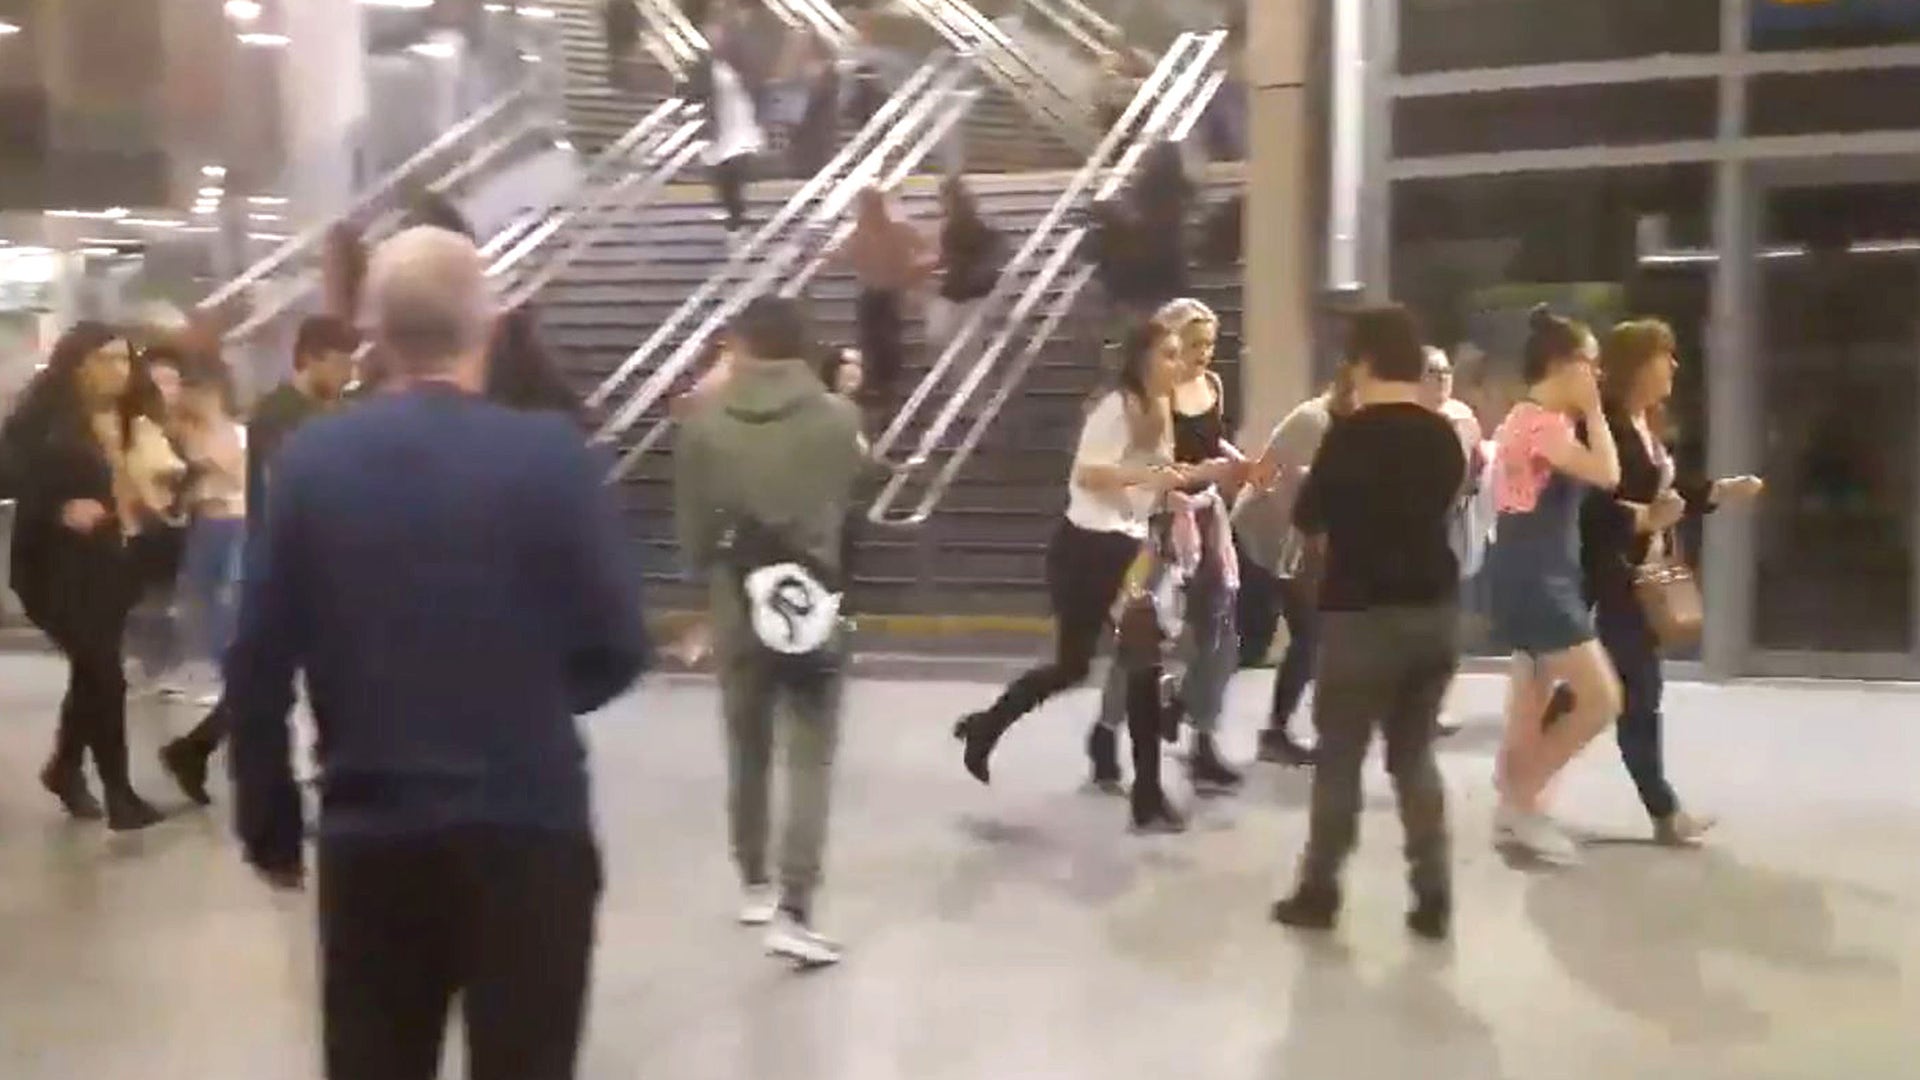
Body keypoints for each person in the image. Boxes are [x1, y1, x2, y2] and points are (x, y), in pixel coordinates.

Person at [226, 226, 648, 1079]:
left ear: (373, 335)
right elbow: (619, 643)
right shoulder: (552, 457)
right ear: (487, 326)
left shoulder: (311, 463)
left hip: (373, 832)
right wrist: (524, 697)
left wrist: (269, 820)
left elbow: (256, 658)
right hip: (529, 829)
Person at [674, 297, 868, 968]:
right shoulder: (839, 419)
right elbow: (854, 495)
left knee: (746, 745)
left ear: (741, 346)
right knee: (809, 754)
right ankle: (795, 906)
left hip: (737, 602)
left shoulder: (702, 426)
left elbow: (695, 538)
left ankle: (752, 882)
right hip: (813, 601)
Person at [1268, 304, 1465, 941]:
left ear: (1362, 363)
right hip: (1434, 612)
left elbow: (1307, 515)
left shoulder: (1347, 434)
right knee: (1414, 757)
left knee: (1341, 759)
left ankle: (1319, 892)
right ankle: (1432, 895)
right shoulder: (1443, 435)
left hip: (1360, 616)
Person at [954, 319, 1186, 787]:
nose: (1177, 365)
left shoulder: (1158, 407)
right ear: (1142, 359)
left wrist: (1170, 491)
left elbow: (1147, 475)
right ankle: (991, 728)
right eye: (1169, 355)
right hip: (1087, 548)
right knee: (1082, 664)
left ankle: (1139, 785)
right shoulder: (1115, 408)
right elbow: (1088, 475)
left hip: (1125, 543)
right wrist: (1149, 481)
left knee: (1129, 662)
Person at [159, 315, 360, 804]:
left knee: (284, 676)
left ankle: (195, 748)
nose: (346, 375)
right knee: (305, 675)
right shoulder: (279, 414)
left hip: (325, 561)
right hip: (288, 561)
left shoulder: (334, 410)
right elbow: (284, 487)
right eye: (339, 364)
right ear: (309, 356)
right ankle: (330, 776)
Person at [1579, 319, 1762, 846]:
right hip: (1612, 578)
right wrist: (1645, 517)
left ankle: (1525, 776)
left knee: (1607, 691)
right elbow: (1594, 506)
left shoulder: (1643, 425)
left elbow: (1674, 490)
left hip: (1640, 576)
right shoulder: (1606, 427)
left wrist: (1723, 491)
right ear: (1637, 364)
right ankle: (1662, 809)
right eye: (1665, 355)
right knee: (1637, 690)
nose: (1674, 367)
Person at [2, 324, 177, 830]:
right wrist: (57, 506)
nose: (119, 372)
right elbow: (7, 473)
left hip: (110, 561)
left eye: (124, 361)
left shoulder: (127, 419)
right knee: (104, 673)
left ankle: (63, 768)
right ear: (78, 364)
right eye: (107, 360)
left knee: (93, 671)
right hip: (51, 570)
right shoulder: (43, 418)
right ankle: (119, 794)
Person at [1090, 298, 1260, 796]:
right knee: (1140, 638)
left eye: (1209, 344)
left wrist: (1240, 463)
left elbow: (1211, 443)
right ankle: (1105, 734)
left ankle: (1199, 733)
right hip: (1157, 524)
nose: (1203, 354)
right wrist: (1204, 474)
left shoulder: (1212, 386)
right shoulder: (1150, 397)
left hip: (1205, 517)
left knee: (1222, 630)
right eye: (1192, 344)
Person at [1484, 306, 1623, 866]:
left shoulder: (1525, 418)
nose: (1597, 376)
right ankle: (1521, 802)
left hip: (1536, 570)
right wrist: (1594, 412)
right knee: (1601, 699)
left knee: (1531, 699)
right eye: (1590, 363)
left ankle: (1517, 806)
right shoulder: (1542, 424)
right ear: (1564, 365)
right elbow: (1608, 474)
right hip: (1539, 577)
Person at [1234, 365, 1357, 766]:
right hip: (1263, 537)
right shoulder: (1312, 420)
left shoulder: (1355, 428)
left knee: (1310, 634)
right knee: (1256, 643)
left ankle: (1278, 730)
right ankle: (1182, 703)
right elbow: (1268, 476)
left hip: (1296, 545)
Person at [1421, 346, 1489, 738]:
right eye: (1432, 371)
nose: (1442, 377)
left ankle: (1432, 706)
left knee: (1446, 624)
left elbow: (1479, 462)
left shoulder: (1462, 416)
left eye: (1446, 370)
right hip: (1409, 532)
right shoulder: (1403, 419)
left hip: (1451, 528)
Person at [171, 359, 248, 707]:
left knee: (224, 596)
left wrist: (206, 463)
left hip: (234, 520)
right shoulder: (188, 433)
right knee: (197, 594)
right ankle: (199, 667)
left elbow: (236, 475)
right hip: (204, 520)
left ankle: (226, 672)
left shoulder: (237, 432)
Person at [835, 186, 934, 402]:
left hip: (890, 291)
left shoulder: (897, 230)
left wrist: (913, 274)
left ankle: (886, 385)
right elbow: (844, 255)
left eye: (871, 206)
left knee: (887, 339)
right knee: (870, 338)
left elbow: (926, 251)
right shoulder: (861, 233)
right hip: (870, 292)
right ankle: (873, 383)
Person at [689, 11, 767, 236]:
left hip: (740, 124)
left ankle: (737, 217)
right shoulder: (704, 67)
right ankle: (736, 218)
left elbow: (754, 86)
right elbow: (694, 93)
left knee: (734, 169)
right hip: (720, 128)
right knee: (723, 173)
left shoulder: (736, 63)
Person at [927, 176, 1005, 361]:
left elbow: (955, 257)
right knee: (961, 344)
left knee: (953, 341)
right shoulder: (973, 223)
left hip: (965, 292)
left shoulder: (959, 225)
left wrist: (929, 265)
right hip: (971, 290)